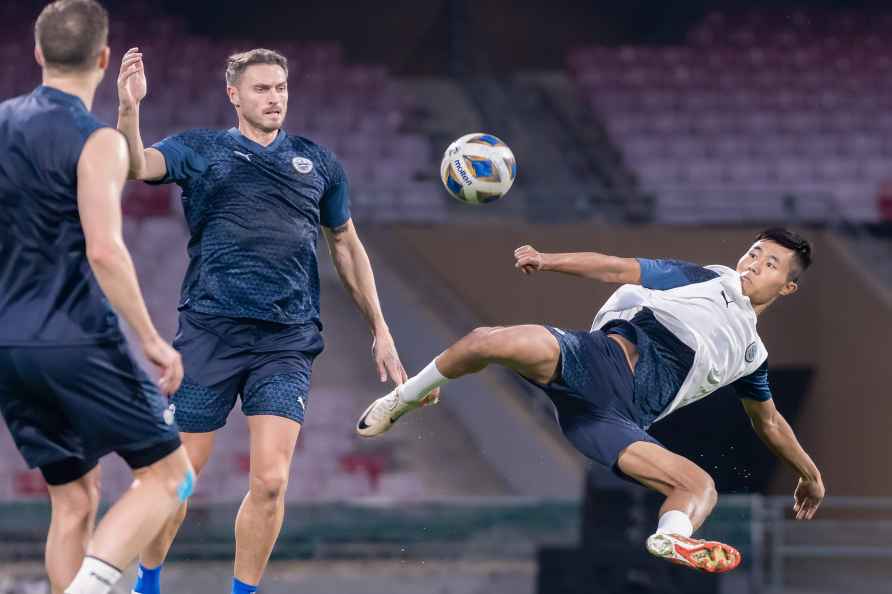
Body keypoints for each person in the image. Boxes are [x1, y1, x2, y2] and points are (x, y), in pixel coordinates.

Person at [357, 228, 825, 573]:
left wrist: (810, 473)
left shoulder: (752, 357)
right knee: (485, 341)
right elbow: (618, 267)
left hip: (613, 419)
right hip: (592, 359)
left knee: (700, 486)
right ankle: (407, 396)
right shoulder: (701, 279)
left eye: (768, 265)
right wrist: (547, 259)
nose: (752, 265)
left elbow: (769, 423)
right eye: (753, 253)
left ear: (786, 286)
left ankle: (672, 538)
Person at [116, 46, 408, 594]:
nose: (274, 99)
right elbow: (136, 165)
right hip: (209, 334)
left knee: (272, 483)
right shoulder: (200, 149)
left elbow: (345, 244)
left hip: (286, 341)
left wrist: (380, 327)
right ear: (234, 95)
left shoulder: (318, 163)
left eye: (280, 89)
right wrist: (130, 111)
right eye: (261, 89)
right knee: (175, 481)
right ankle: (147, 585)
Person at [0, 2, 195, 593]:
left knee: (76, 498)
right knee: (169, 479)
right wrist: (154, 340)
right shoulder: (97, 140)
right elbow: (105, 251)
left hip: (8, 343)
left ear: (38, 54)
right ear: (105, 58)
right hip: (74, 335)